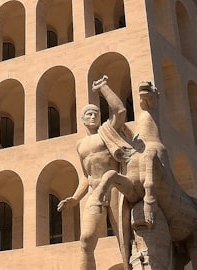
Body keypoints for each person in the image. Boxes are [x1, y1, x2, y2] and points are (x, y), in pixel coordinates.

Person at [57, 75, 135, 270]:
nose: (93, 117)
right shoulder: (81, 145)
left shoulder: (106, 131)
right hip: (94, 193)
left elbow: (120, 111)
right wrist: (75, 199)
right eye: (89, 114)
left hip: (115, 190)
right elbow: (86, 176)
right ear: (82, 120)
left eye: (96, 114)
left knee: (125, 241)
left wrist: (104, 88)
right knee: (85, 240)